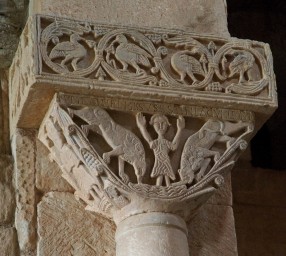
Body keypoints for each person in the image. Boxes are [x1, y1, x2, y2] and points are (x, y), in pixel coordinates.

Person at [136, 113, 185, 186]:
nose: (160, 126)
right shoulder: (155, 142)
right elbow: (148, 139)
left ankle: (166, 189)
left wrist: (180, 130)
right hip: (160, 161)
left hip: (165, 161)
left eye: (163, 123)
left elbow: (174, 146)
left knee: (165, 174)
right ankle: (162, 189)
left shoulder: (166, 142)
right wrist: (142, 127)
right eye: (157, 123)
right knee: (162, 174)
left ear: (167, 126)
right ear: (153, 125)